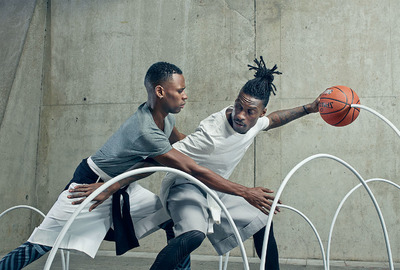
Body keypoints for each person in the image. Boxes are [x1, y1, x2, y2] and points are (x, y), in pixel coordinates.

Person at [0, 61, 277, 270]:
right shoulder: (147, 130)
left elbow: (180, 144)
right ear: (160, 91)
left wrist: (206, 143)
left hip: (121, 184)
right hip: (92, 184)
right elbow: (189, 168)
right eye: (179, 91)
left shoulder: (163, 116)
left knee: (170, 219)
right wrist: (244, 191)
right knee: (41, 245)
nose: (185, 96)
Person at [149, 56, 320, 270]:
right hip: (184, 185)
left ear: (260, 113)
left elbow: (275, 119)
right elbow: (158, 156)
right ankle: (172, 229)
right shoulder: (211, 134)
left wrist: (309, 108)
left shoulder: (254, 123)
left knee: (262, 221)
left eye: (249, 112)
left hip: (215, 189)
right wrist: (114, 184)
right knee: (193, 234)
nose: (240, 115)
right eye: (238, 106)